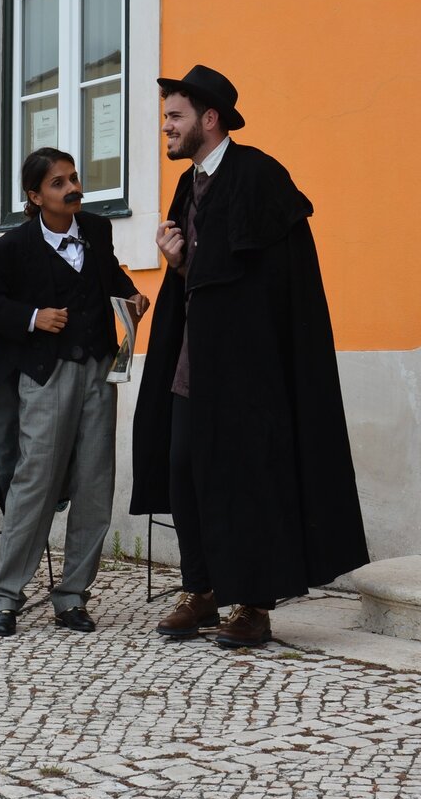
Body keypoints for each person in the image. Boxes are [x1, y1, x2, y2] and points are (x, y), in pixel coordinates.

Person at [130, 64, 369, 648]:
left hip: (247, 370)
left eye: (175, 116)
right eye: (166, 117)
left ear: (209, 119)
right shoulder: (188, 184)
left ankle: (255, 605)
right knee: (185, 473)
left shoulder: (259, 176)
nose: (166, 127)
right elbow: (205, 274)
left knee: (248, 482)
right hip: (193, 363)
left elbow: (276, 282)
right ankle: (203, 589)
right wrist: (177, 263)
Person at [0, 147, 148, 637]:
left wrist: (131, 296)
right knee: (35, 482)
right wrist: (32, 317)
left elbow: (109, 276)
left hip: (99, 371)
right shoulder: (13, 248)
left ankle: (72, 596)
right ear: (35, 195)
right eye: (59, 183)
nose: (72, 189)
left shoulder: (97, 230)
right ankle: (6, 596)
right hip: (46, 375)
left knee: (95, 483)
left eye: (74, 179)